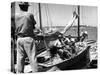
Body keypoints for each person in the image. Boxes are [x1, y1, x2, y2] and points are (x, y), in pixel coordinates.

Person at [15, 2, 39, 73]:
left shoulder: (15, 16)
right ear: (26, 7)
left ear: (19, 6)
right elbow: (33, 27)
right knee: (32, 58)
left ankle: (19, 72)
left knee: (20, 59)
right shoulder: (29, 15)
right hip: (28, 39)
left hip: (19, 39)